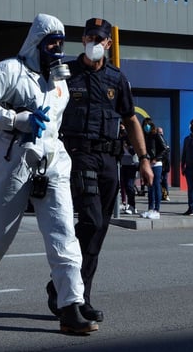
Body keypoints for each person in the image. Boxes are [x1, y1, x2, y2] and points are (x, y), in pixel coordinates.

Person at [0, 13, 97, 334]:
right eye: (51, 43)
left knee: (63, 233)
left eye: (61, 43)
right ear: (37, 42)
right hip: (14, 162)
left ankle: (71, 304)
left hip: (52, 163)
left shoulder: (59, 81)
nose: (57, 49)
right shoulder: (9, 71)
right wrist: (15, 119)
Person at [51, 17, 153, 324]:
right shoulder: (65, 73)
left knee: (99, 231)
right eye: (89, 37)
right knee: (91, 221)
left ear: (108, 43)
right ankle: (68, 292)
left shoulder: (116, 79)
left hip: (111, 160)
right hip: (78, 155)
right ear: (82, 40)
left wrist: (144, 158)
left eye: (99, 38)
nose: (93, 42)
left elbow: (131, 119)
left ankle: (77, 295)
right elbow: (47, 108)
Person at [140, 118, 165, 219]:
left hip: (156, 164)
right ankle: (150, 208)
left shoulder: (156, 135)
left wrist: (156, 158)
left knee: (156, 185)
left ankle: (157, 209)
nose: (146, 127)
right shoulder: (144, 137)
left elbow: (165, 149)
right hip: (147, 164)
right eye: (145, 125)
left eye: (148, 125)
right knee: (149, 186)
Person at [156, 126, 171, 201]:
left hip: (164, 165)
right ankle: (161, 194)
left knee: (164, 180)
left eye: (161, 132)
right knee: (159, 180)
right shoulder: (156, 141)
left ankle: (165, 194)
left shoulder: (164, 141)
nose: (160, 134)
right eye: (158, 132)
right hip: (158, 164)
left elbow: (166, 154)